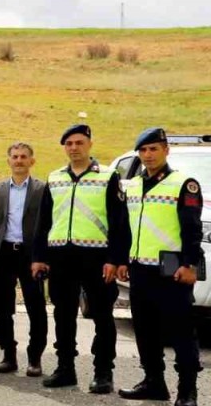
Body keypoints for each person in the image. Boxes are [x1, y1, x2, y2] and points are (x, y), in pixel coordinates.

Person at [34, 123, 128, 394]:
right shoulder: (54, 177)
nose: (74, 148)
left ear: (89, 144)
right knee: (63, 316)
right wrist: (39, 257)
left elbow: (120, 222)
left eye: (79, 142)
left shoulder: (108, 176)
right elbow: (43, 221)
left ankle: (103, 373)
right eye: (69, 144)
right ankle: (65, 369)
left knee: (102, 316)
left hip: (97, 258)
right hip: (61, 256)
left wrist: (115, 258)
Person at [117, 128, 203, 406]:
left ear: (166, 150)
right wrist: (122, 260)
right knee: (145, 331)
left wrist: (191, 265)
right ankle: (154, 382)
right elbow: (125, 229)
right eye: (143, 150)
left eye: (153, 149)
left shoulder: (183, 184)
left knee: (181, 333)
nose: (148, 155)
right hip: (140, 270)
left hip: (173, 270)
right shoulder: (132, 185)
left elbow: (192, 229)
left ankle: (187, 391)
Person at [0, 142, 48, 377]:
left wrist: (43, 257)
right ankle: (8, 355)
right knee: (3, 309)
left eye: (23, 157)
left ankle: (35, 358)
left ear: (32, 161)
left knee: (36, 308)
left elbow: (47, 226)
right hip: (4, 254)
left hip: (31, 256)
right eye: (15, 157)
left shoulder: (43, 189)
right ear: (8, 160)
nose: (19, 160)